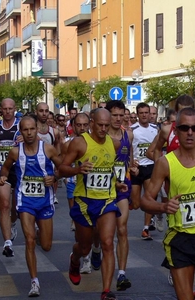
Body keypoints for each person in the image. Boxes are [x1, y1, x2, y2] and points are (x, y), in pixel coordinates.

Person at [140, 107, 195, 300]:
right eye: (184, 128)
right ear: (176, 130)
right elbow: (145, 200)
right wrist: (163, 207)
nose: (190, 132)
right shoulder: (165, 163)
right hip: (180, 240)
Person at [58, 108, 128, 300]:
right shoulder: (79, 143)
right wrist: (78, 169)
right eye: (100, 125)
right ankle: (74, 261)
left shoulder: (114, 144)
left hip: (106, 200)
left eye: (107, 125)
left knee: (107, 243)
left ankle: (106, 291)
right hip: (84, 201)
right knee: (84, 247)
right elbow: (62, 169)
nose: (103, 129)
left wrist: (117, 183)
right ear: (92, 124)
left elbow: (109, 170)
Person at [0, 116, 61, 297]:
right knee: (30, 240)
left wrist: (55, 177)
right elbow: (6, 168)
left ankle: (39, 230)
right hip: (25, 201)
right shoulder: (15, 152)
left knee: (46, 245)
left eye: (32, 129)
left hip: (44, 202)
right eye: (25, 130)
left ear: (36, 129)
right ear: (21, 132)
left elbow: (62, 167)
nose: (29, 133)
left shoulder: (47, 149)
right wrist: (3, 176)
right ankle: (34, 282)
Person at [106, 100, 133, 291]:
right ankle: (96, 250)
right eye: (114, 115)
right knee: (102, 235)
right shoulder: (100, 135)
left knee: (122, 228)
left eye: (120, 114)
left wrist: (133, 167)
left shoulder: (127, 134)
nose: (118, 118)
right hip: (102, 190)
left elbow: (129, 159)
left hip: (122, 187)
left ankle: (122, 273)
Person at [0, 98, 23, 257]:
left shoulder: (23, 126)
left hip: (19, 171)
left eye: (11, 108)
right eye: (5, 109)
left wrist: (26, 139)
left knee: (15, 207)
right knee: (4, 204)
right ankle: (7, 242)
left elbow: (36, 143)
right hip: (2, 171)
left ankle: (13, 222)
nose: (8, 111)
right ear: (1, 110)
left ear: (15, 109)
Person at [130, 103, 159, 240]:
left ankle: (146, 228)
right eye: (141, 112)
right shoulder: (132, 130)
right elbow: (128, 148)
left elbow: (158, 148)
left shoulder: (155, 129)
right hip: (136, 168)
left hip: (150, 167)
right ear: (137, 114)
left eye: (146, 112)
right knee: (136, 204)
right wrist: (131, 163)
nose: (144, 115)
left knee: (149, 197)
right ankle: (134, 202)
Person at [35, 103, 62, 205]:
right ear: (36, 112)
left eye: (46, 111)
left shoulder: (54, 132)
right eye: (41, 111)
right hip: (34, 167)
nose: (44, 113)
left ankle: (52, 197)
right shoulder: (30, 130)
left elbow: (57, 149)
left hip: (49, 166)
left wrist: (57, 165)